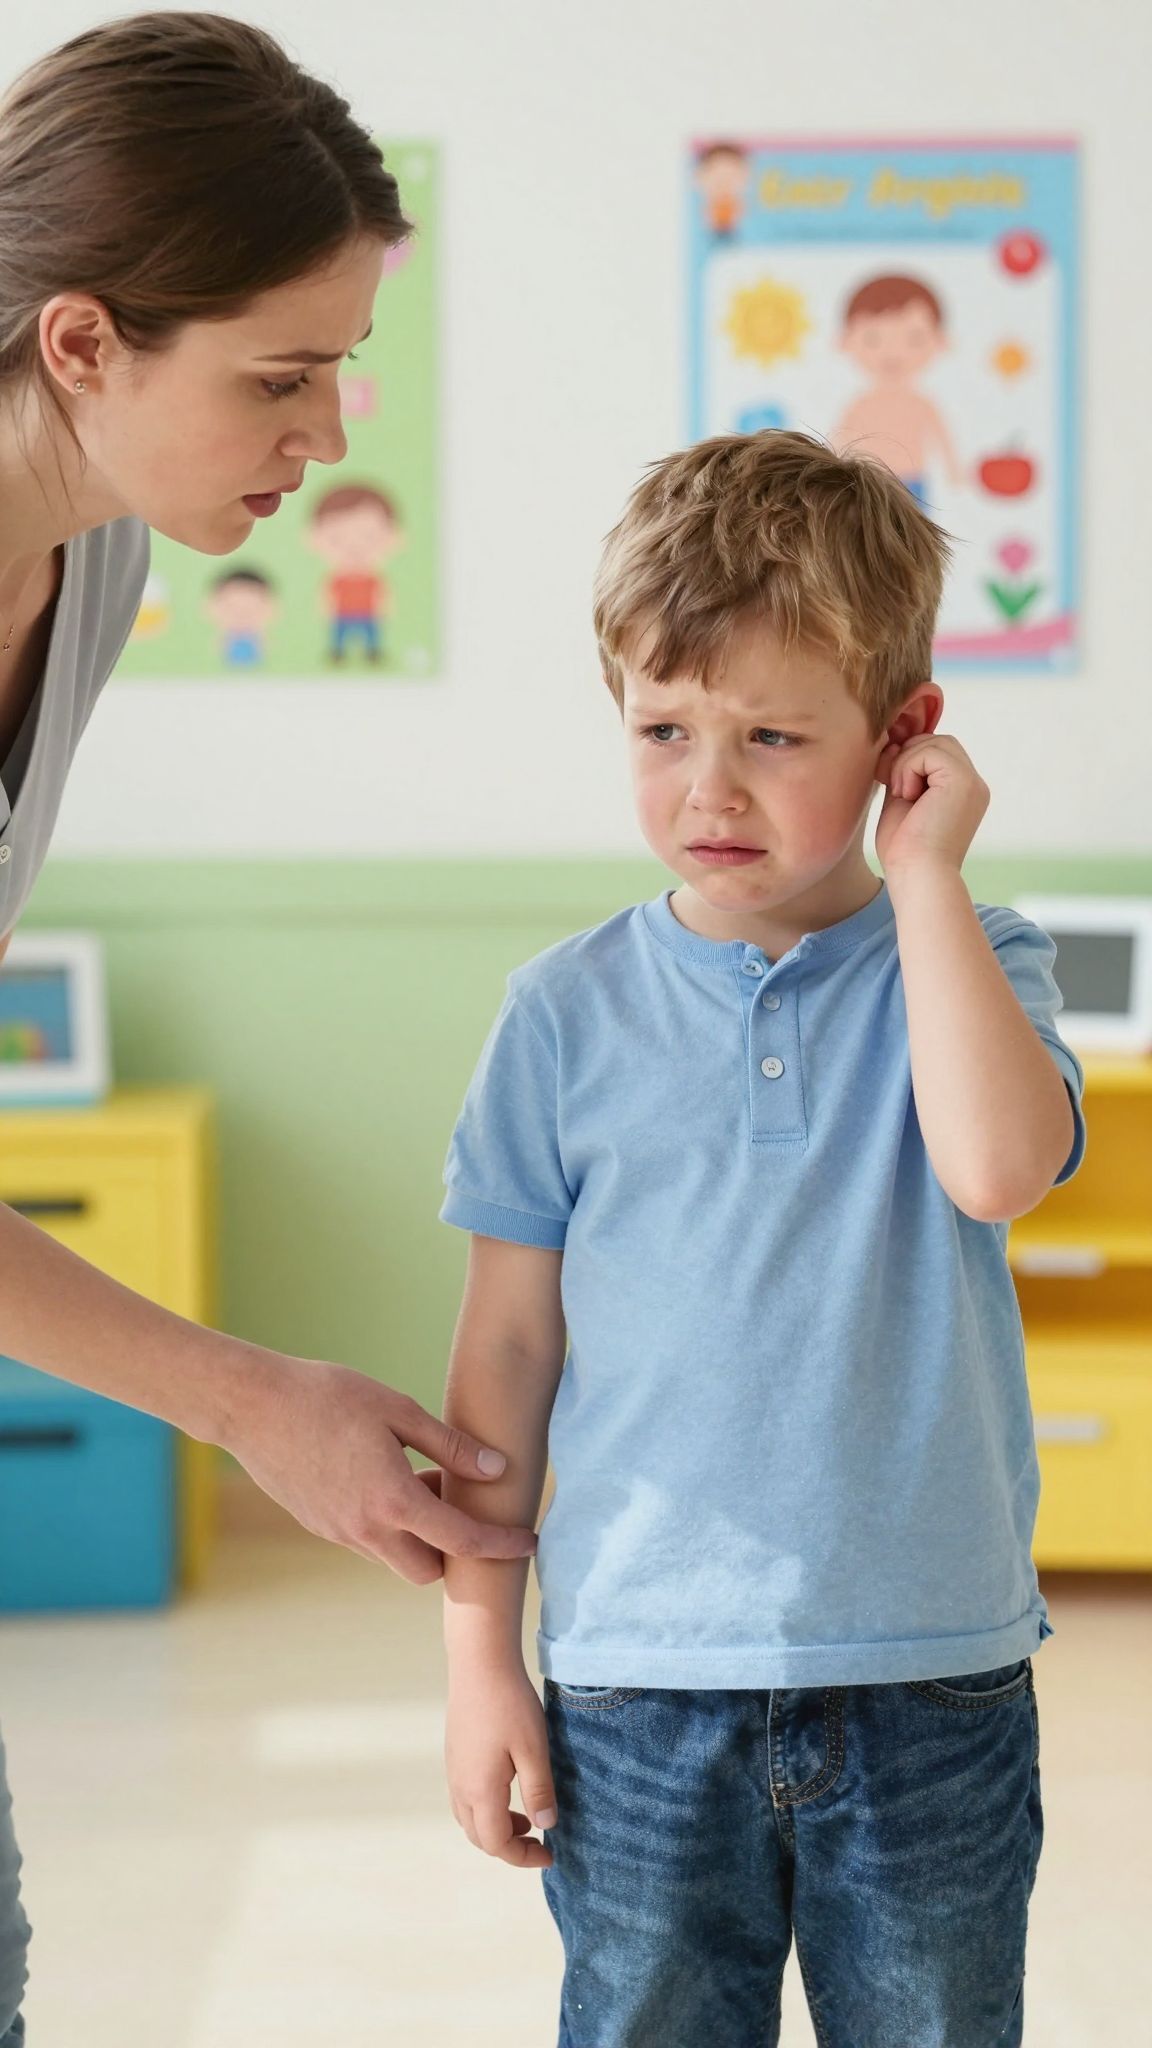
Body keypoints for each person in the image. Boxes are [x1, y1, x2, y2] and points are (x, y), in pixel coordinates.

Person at [0, 15, 537, 2041]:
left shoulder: (100, 562)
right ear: (81, 343)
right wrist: (246, 1398)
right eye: (280, 374)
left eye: (341, 367)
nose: (325, 435)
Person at [438, 428, 1086, 2047]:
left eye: (774, 736)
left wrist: (925, 877)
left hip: (931, 1679)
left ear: (901, 738)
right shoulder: (561, 1013)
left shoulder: (980, 956)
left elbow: (998, 1169)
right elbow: (505, 1351)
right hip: (634, 1681)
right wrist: (478, 1657)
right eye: (664, 728)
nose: (707, 787)